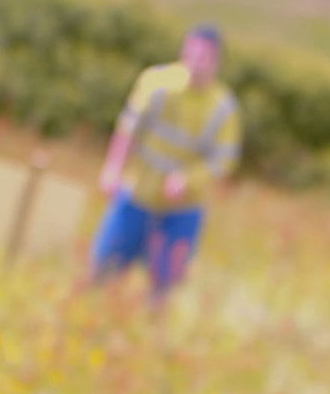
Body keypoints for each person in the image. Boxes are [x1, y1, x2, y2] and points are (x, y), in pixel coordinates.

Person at [91, 24, 241, 305]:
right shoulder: (156, 83)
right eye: (193, 54)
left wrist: (189, 180)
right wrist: (112, 169)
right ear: (184, 52)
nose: (197, 63)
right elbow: (128, 129)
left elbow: (224, 159)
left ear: (216, 62)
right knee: (103, 269)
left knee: (164, 287)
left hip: (182, 209)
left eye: (205, 57)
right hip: (137, 195)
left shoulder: (223, 108)